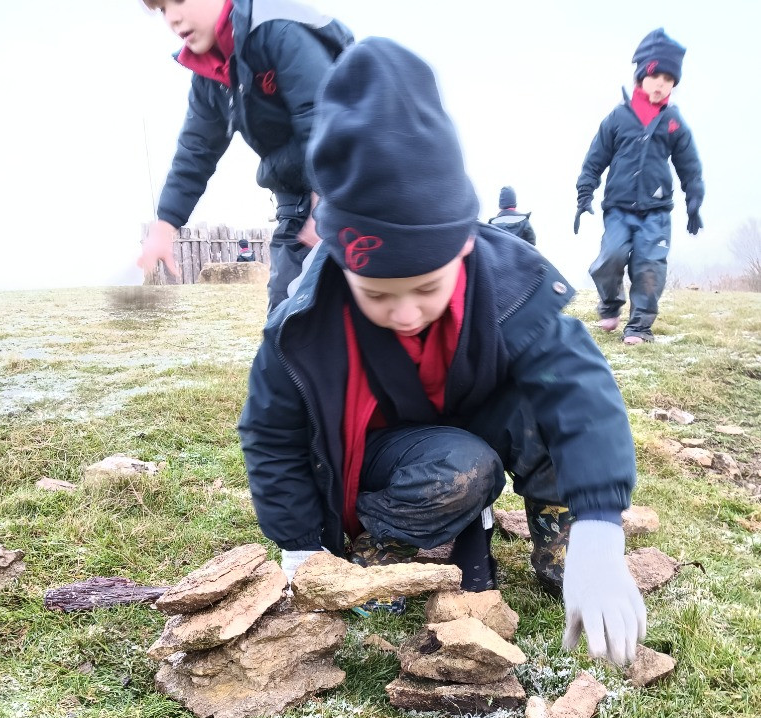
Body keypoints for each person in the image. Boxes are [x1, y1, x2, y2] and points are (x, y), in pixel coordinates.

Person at [239, 38, 647, 665]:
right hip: (386, 452)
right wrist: (301, 545)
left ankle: (563, 534)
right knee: (464, 468)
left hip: (471, 409)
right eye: (378, 293)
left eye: (427, 288)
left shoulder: (509, 286)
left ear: (464, 250)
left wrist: (600, 526)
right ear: (343, 262)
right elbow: (271, 436)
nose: (405, 313)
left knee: (542, 406)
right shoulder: (303, 323)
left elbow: (584, 396)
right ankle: (388, 538)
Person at [136, 0, 353, 309]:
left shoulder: (277, 29)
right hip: (294, 193)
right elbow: (196, 150)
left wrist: (327, 203)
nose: (172, 17)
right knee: (284, 305)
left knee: (351, 300)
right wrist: (164, 225)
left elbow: (321, 117)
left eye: (180, 0)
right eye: (161, 9)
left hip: (349, 182)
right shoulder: (211, 72)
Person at [574, 28, 704, 345]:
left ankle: (639, 328)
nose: (662, 83)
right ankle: (610, 304)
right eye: (656, 75)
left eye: (669, 79)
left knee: (649, 268)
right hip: (618, 208)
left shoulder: (673, 121)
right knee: (611, 257)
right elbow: (595, 158)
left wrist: (694, 200)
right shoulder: (618, 118)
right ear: (641, 75)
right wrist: (584, 193)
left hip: (656, 211)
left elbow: (689, 164)